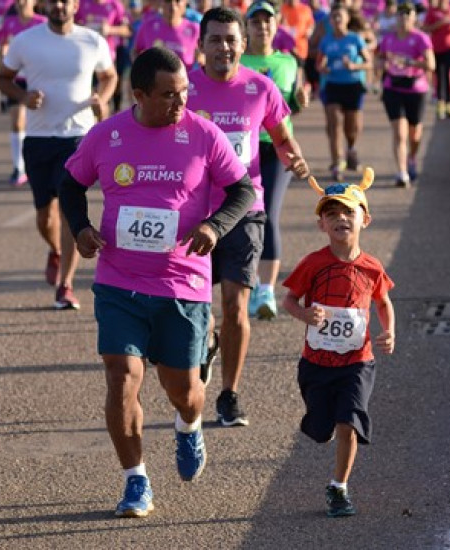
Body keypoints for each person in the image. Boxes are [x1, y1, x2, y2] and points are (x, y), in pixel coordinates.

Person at [59, 46, 255, 518]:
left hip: (182, 284)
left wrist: (213, 227)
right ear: (139, 94)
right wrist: (81, 228)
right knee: (121, 376)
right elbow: (70, 184)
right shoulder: (106, 136)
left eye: (185, 91)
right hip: (119, 281)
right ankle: (135, 480)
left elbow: (243, 190)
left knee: (183, 391)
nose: (181, 102)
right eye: (169, 95)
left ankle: (189, 426)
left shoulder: (204, 135)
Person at [188, 6, 310, 426]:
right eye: (215, 39)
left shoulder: (261, 88)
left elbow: (281, 138)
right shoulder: (183, 87)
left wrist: (293, 158)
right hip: (191, 211)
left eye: (230, 39)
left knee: (235, 304)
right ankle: (203, 345)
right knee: (196, 306)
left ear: (244, 44)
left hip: (244, 209)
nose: (224, 47)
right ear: (201, 45)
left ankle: (229, 394)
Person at [281, 167, 395, 518]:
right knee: (320, 427)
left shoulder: (372, 267)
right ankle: (323, 423)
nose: (340, 218)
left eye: (348, 211)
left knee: (349, 423)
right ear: (321, 225)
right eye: (331, 213)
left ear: (365, 219)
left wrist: (389, 331)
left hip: (357, 362)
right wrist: (304, 316)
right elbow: (288, 300)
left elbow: (383, 302)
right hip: (316, 362)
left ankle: (338, 488)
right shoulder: (313, 263)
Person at [0, 0, 118, 310]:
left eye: (66, 0)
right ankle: (56, 250)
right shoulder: (26, 40)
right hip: (38, 138)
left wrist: (101, 99)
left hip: (78, 138)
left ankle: (65, 285)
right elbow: (3, 77)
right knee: (44, 216)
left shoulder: (93, 41)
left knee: (69, 212)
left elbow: (110, 77)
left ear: (76, 5)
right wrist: (23, 96)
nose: (60, 5)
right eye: (54, 1)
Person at [242, 1, 309, 321]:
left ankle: (266, 290)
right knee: (241, 216)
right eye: (256, 22)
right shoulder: (238, 62)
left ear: (276, 24)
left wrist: (299, 100)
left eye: (267, 21)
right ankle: (247, 280)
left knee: (268, 213)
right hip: (242, 149)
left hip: (276, 147)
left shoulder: (289, 62)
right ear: (248, 27)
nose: (262, 27)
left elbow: (287, 109)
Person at [377, 0, 434, 187]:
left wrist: (411, 63)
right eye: (400, 14)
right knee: (399, 133)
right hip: (393, 88)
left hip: (415, 89)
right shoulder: (388, 39)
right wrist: (381, 66)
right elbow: (379, 59)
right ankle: (402, 172)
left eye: (407, 15)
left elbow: (431, 65)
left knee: (414, 133)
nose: (403, 18)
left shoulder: (420, 39)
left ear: (414, 18)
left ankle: (412, 157)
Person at [315, 2, 372, 181]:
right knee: (334, 124)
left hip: (353, 85)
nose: (337, 20)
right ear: (330, 21)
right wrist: (323, 68)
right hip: (333, 85)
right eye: (334, 17)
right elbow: (318, 63)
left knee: (351, 127)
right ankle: (337, 162)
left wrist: (354, 65)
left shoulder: (355, 39)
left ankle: (351, 149)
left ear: (347, 19)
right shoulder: (326, 40)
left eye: (340, 16)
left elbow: (369, 62)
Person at [0, 0, 47, 185]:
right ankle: (18, 168)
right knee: (17, 121)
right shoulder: (9, 22)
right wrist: (4, 51)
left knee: (38, 123)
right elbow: (3, 44)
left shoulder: (42, 22)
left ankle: (37, 164)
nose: (21, 2)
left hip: (38, 79)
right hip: (17, 80)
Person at [132, 0, 201, 72]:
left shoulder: (195, 30)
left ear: (185, 3)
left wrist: (201, 58)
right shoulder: (148, 26)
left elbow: (203, 56)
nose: (172, 7)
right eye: (168, 1)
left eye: (177, 1)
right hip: (154, 81)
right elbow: (135, 51)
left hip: (183, 81)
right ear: (161, 3)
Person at [422, 0, 450, 120]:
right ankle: (440, 103)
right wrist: (440, 23)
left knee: (448, 74)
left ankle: (449, 103)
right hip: (436, 47)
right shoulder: (432, 11)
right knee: (439, 75)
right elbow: (426, 28)